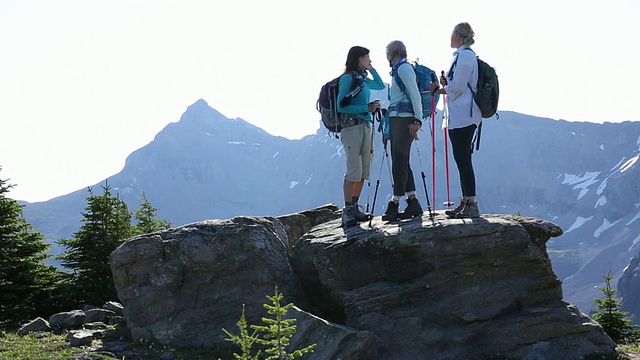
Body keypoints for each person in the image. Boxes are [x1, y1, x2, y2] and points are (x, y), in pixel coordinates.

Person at [430, 22, 482, 218]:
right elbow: (457, 84)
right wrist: (446, 84)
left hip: (464, 115)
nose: (450, 37)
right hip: (459, 115)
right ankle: (466, 201)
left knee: (463, 159)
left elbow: (458, 87)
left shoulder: (466, 56)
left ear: (459, 36)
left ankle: (471, 203)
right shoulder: (461, 56)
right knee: (461, 158)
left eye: (452, 34)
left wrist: (438, 89)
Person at [337, 46, 384, 227]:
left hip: (366, 126)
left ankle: (354, 207)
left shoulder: (362, 80)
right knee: (353, 169)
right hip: (352, 128)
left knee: (364, 169)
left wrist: (371, 69)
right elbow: (341, 106)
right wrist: (367, 108)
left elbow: (379, 85)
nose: (370, 60)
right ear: (359, 59)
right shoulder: (347, 78)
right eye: (367, 58)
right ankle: (347, 210)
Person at [381, 40, 425, 222]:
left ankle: (395, 203)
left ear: (392, 53)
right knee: (403, 161)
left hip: (404, 119)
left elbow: (414, 93)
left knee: (399, 161)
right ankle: (413, 202)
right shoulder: (400, 69)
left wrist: (417, 120)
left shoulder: (403, 69)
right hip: (399, 118)